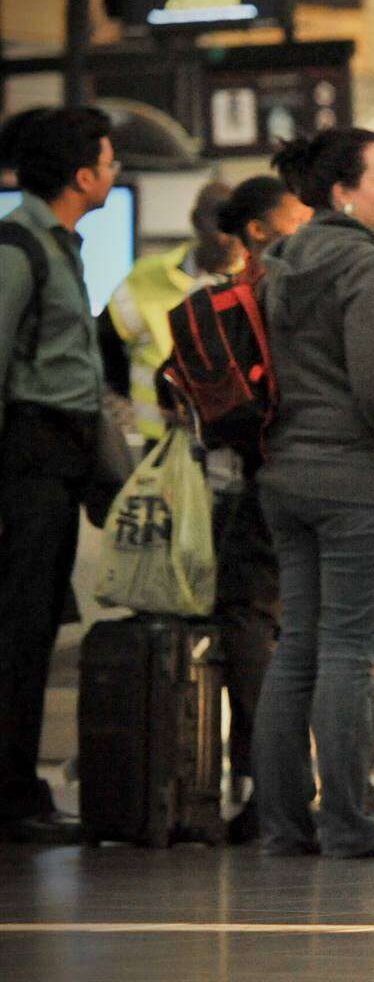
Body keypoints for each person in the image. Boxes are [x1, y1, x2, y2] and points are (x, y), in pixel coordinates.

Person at [254, 127, 374, 858]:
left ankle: (283, 825)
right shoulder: (365, 262)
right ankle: (352, 823)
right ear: (342, 191)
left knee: (296, 645)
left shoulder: (285, 259)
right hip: (356, 480)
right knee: (347, 652)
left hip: (285, 473)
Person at [0, 107, 117, 845]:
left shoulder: (56, 245)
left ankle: (17, 788)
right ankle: (10, 795)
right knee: (18, 630)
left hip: (56, 461)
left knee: (36, 624)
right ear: (82, 174)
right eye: (109, 159)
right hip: (27, 461)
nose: (116, 170)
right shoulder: (19, 248)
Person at [185, 175, 310, 844]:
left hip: (250, 479)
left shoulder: (229, 299)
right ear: (259, 229)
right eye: (297, 213)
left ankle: (272, 790)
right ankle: (291, 791)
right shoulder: (283, 289)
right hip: (286, 475)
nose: (309, 220)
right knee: (282, 623)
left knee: (251, 619)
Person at [99, 181, 240, 449]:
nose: (224, 236)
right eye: (217, 222)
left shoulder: (253, 284)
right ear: (196, 221)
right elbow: (106, 347)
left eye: (232, 224)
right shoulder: (146, 277)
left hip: (229, 440)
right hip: (159, 437)